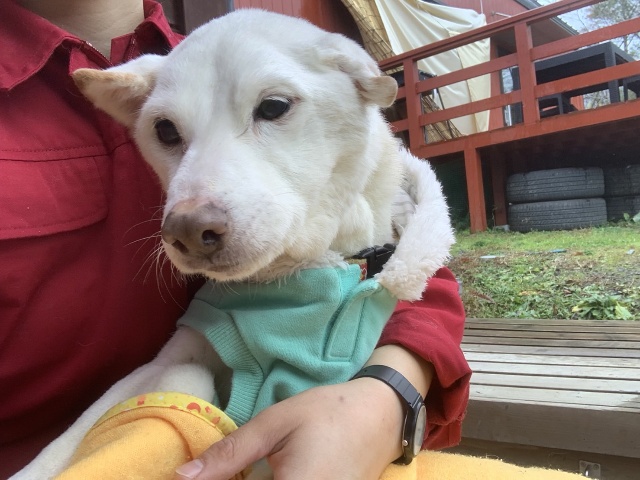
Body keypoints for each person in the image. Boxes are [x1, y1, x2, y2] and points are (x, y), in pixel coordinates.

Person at [0, 1, 471, 479]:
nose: (188, 218)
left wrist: (386, 399)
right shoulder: (193, 74)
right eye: (168, 132)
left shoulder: (241, 52)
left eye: (273, 108)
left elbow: (410, 272)